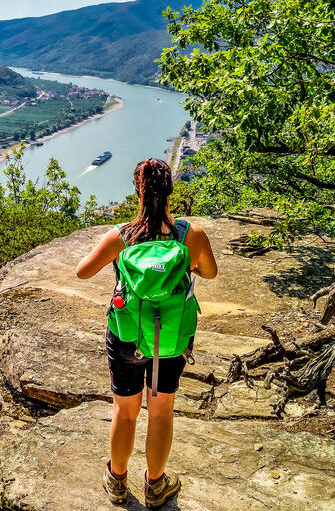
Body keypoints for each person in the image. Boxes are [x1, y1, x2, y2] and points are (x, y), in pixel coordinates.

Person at [75, 158, 217, 508]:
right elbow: (209, 273)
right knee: (161, 410)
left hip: (127, 336)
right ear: (170, 190)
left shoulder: (121, 236)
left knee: (125, 412)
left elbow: (82, 273)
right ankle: (156, 485)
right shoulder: (191, 235)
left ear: (137, 191)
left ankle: (117, 483)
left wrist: (118, 258)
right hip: (169, 339)